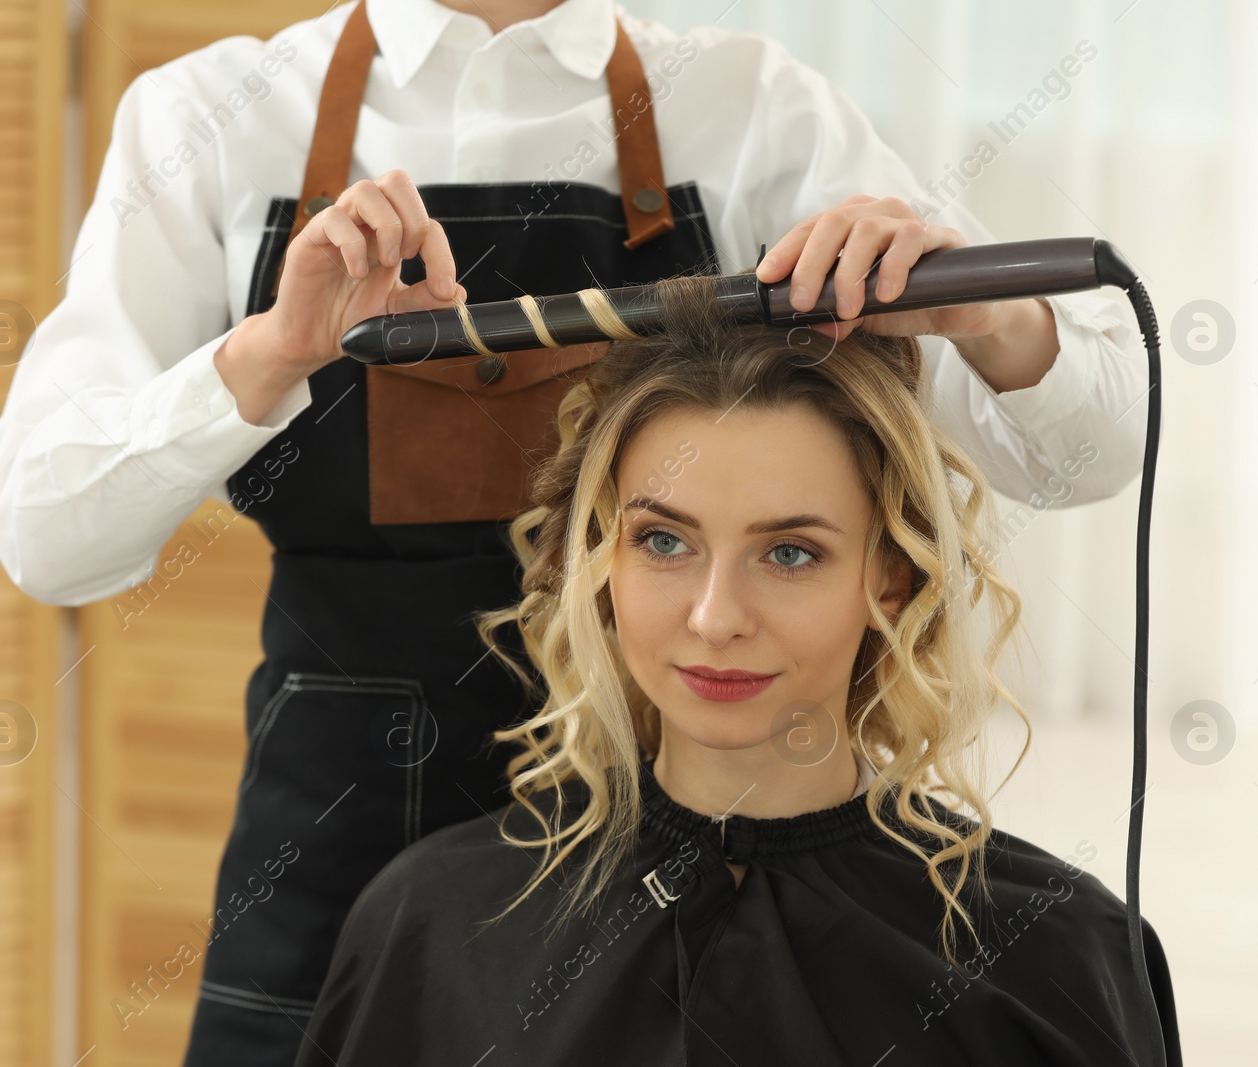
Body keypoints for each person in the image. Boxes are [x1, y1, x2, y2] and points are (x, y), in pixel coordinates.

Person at [0, 0, 1151, 1061]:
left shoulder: (744, 108)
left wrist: (993, 317)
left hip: (676, 828)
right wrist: (268, 352)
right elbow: (48, 535)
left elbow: (1087, 451)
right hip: (334, 838)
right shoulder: (215, 117)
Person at [291, 274, 1182, 1066]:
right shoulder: (434, 926)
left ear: (891, 579)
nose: (715, 618)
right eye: (665, 541)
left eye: (790, 553)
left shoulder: (1060, 957)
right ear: (602, 563)